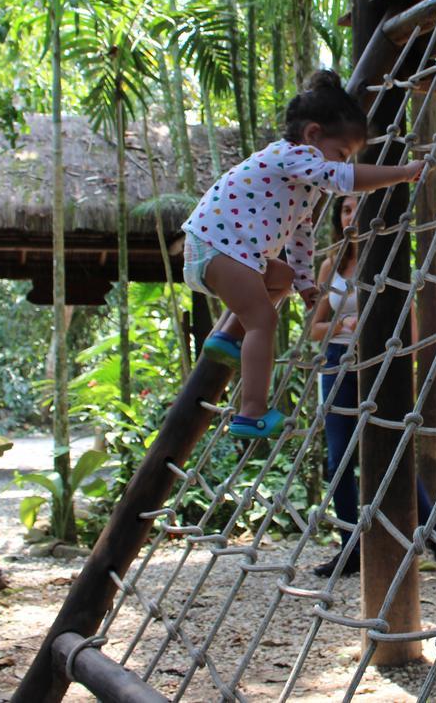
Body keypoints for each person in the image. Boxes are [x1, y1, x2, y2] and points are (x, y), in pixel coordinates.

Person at [181, 70, 422, 440]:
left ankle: (227, 336)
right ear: (312, 135)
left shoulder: (301, 187)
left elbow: (299, 237)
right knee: (263, 319)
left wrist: (306, 283)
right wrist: (402, 173)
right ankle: (251, 412)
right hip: (218, 247)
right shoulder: (290, 156)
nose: (342, 162)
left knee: (280, 278)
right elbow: (343, 178)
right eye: (341, 152)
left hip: (226, 251)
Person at [308, 194, 436, 580]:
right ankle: (350, 548)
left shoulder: (392, 263)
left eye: (359, 206)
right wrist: (345, 326)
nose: (352, 214)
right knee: (339, 462)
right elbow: (315, 330)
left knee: (395, 459)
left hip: (381, 370)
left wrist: (379, 342)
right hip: (339, 367)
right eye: (345, 208)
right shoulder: (332, 267)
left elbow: (408, 333)